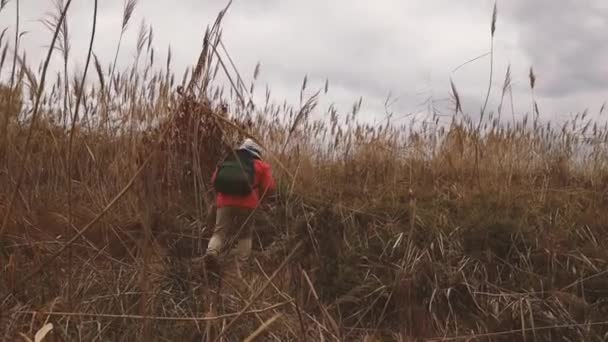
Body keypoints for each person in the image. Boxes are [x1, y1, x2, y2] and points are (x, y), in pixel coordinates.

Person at [204, 138, 276, 274]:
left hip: (224, 202)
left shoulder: (227, 161)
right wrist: (260, 198)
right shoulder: (262, 165)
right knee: (245, 234)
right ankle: (242, 266)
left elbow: (214, 180)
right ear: (257, 152)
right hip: (248, 204)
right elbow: (270, 187)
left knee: (219, 233)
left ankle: (211, 254)